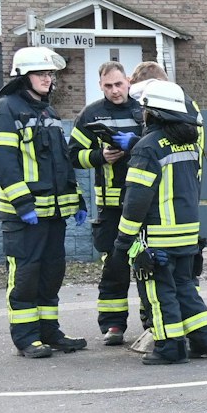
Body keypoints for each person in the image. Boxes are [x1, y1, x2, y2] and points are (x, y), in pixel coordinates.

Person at [0, 47, 86, 358]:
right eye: (41, 73)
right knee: (26, 277)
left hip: (53, 214)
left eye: (50, 74)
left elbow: (61, 161)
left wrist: (77, 198)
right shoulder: (6, 109)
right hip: (24, 215)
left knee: (51, 275)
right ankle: (26, 337)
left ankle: (49, 332)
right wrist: (23, 203)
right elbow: (3, 162)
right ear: (22, 76)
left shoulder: (48, 112)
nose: (47, 79)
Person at [116, 80, 207, 365]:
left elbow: (136, 201)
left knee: (159, 292)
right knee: (184, 287)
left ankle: (169, 347)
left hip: (158, 236)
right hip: (187, 234)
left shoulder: (148, 147)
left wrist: (123, 240)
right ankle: (206, 339)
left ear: (153, 113)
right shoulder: (190, 144)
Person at [69, 62, 143, 343]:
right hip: (111, 207)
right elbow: (72, 155)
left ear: (128, 82)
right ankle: (113, 325)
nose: (114, 91)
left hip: (143, 201)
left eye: (119, 84)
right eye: (108, 86)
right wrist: (100, 156)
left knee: (148, 264)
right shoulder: (91, 114)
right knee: (114, 265)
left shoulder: (144, 110)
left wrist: (134, 143)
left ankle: (152, 320)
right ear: (100, 85)